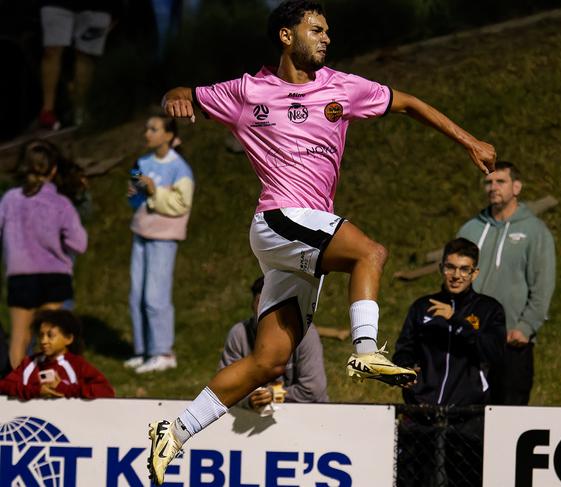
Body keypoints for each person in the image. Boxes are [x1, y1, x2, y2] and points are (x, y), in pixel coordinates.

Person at [148, 2, 496, 483]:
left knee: (269, 359)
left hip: (299, 237)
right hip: (280, 218)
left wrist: (470, 141)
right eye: (317, 29)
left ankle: (174, 430)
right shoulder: (248, 91)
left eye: (329, 31)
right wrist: (175, 97)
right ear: (287, 36)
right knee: (370, 253)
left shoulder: (342, 87)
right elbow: (183, 93)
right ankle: (366, 349)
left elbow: (409, 103)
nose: (327, 37)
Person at [393, 238, 505, 486]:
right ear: (441, 268)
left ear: (474, 273)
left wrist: (456, 321)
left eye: (464, 269)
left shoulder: (489, 309)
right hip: (420, 417)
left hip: (466, 420)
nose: (456, 275)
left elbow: (495, 352)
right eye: (450, 267)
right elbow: (403, 350)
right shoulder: (422, 307)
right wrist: (405, 369)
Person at [456, 161, 556, 405]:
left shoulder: (534, 231)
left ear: (517, 187)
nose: (493, 187)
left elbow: (543, 284)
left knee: (509, 417)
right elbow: (454, 279)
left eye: (500, 181)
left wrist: (526, 326)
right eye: (488, 182)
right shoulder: (470, 229)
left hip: (511, 342)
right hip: (470, 340)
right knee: (466, 419)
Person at [0, 140, 88, 369]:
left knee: (19, 337)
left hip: (20, 275)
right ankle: (47, 388)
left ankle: (18, 387)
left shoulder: (9, 200)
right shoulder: (60, 203)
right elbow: (79, 243)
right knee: (51, 337)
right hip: (54, 275)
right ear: (54, 169)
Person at [125, 114, 194, 374]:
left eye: (153, 129)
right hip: (141, 231)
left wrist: (156, 191)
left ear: (168, 135)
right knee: (137, 296)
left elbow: (181, 203)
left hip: (163, 238)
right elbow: (134, 197)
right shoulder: (142, 162)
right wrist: (134, 193)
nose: (148, 133)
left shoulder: (180, 168)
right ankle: (143, 351)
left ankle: (163, 352)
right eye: (147, 128)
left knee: (156, 296)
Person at [219, 276, 328, 411]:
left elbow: (313, 390)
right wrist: (249, 400)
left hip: (307, 415)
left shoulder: (305, 334)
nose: (265, 308)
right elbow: (226, 388)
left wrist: (273, 394)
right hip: (253, 419)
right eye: (260, 301)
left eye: (272, 302)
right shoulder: (240, 335)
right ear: (252, 304)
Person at [0, 309, 115, 399]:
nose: (44, 341)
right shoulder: (29, 363)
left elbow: (106, 391)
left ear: (68, 339)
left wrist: (63, 388)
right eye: (41, 335)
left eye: (50, 335)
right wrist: (36, 391)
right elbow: (4, 386)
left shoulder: (78, 365)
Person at [38, 1, 116, 129]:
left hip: (98, 7)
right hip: (57, 4)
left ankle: (80, 111)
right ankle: (47, 111)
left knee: (86, 55)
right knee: (52, 49)